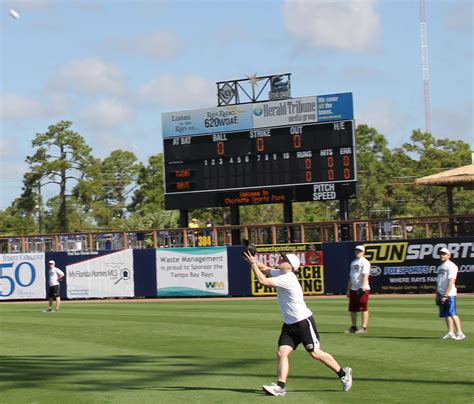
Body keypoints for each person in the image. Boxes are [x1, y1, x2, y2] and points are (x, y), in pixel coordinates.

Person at [243, 250, 352, 396]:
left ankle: (343, 373)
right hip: (289, 324)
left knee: (315, 353)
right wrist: (253, 260)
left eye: (284, 259)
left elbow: (263, 280)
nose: (280, 259)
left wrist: (252, 265)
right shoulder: (282, 274)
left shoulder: (288, 278)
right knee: (282, 352)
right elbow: (264, 269)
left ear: (290, 266)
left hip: (303, 322)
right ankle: (280, 387)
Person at [436, 247, 466, 340]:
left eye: (444, 254)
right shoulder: (440, 267)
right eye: (440, 253)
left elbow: (452, 280)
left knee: (452, 313)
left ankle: (460, 333)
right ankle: (450, 332)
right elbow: (439, 281)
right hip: (441, 293)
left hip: (450, 293)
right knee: (446, 314)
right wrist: (438, 294)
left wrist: (446, 294)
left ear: (449, 256)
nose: (441, 255)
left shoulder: (451, 266)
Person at [345, 245, 371, 334]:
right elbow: (351, 277)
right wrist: (348, 289)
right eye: (356, 250)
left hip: (362, 288)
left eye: (360, 251)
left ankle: (364, 327)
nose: (357, 252)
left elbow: (366, 275)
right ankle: (353, 326)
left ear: (363, 252)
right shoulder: (353, 262)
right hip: (353, 288)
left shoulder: (365, 262)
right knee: (352, 309)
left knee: (364, 307)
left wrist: (363, 287)